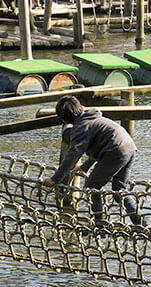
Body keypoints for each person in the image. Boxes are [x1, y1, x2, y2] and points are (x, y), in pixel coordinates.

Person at [42, 95, 141, 226]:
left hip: (115, 152)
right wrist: (85, 166)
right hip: (129, 148)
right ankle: (140, 223)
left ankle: (100, 225)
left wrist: (55, 179)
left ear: (64, 121)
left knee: (91, 187)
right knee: (119, 191)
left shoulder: (80, 127)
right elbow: (98, 146)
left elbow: (73, 155)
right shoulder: (94, 117)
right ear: (82, 108)